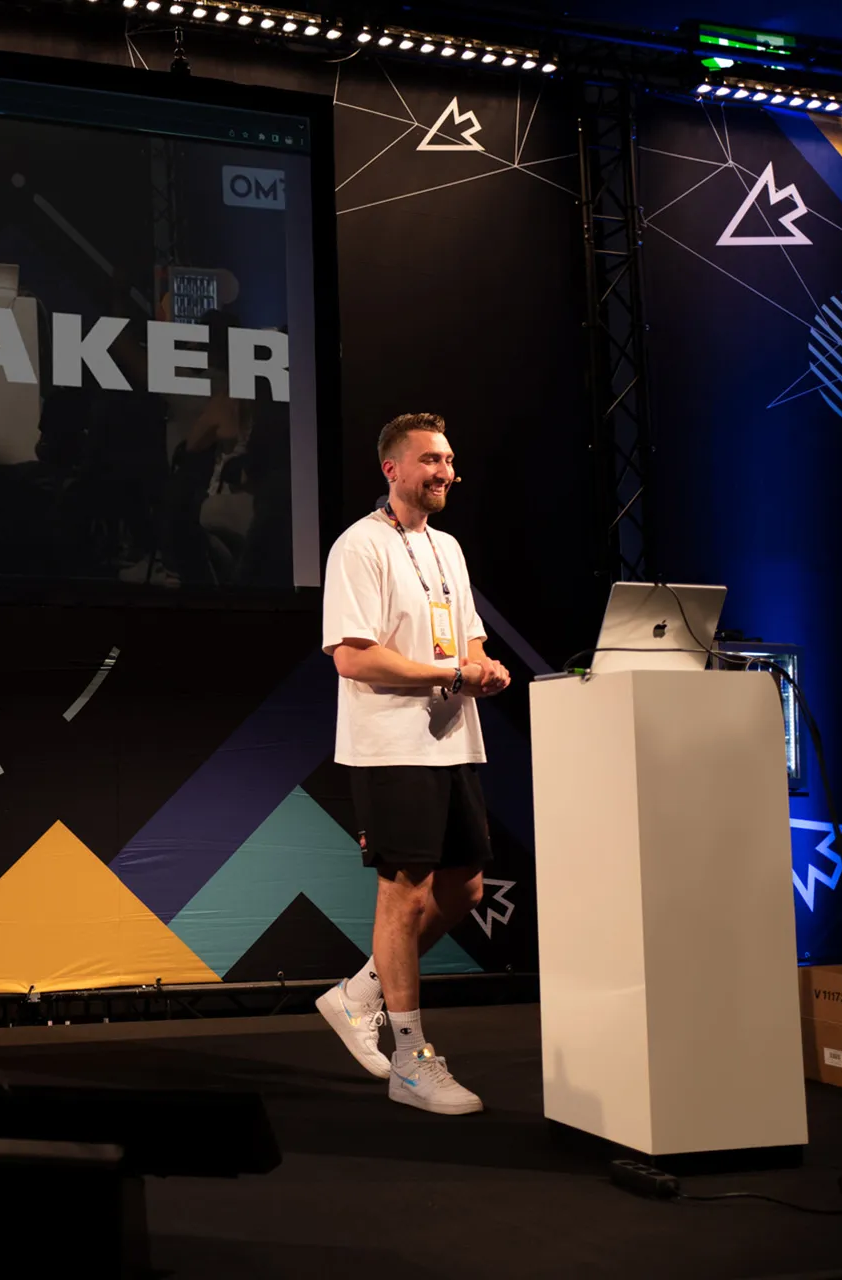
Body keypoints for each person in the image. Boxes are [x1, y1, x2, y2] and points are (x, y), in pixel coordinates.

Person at [317, 412, 511, 1115]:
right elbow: (353, 657)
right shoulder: (359, 545)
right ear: (391, 469)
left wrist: (483, 665)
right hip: (390, 745)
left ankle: (358, 995)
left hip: (452, 740)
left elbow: (468, 635)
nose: (445, 472)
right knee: (405, 893)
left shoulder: (447, 547)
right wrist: (452, 676)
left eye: (449, 460)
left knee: (465, 890)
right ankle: (410, 1060)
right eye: (430, 460)